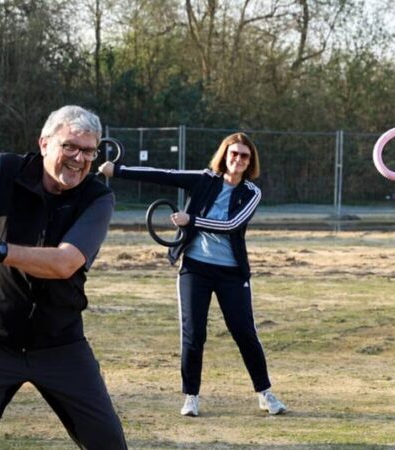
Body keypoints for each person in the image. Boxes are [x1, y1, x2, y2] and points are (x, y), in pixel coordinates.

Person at [99, 132, 286, 417]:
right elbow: (163, 174)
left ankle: (265, 394)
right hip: (195, 268)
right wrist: (118, 170)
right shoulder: (204, 179)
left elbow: (232, 224)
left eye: (244, 156)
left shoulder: (252, 192)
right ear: (224, 155)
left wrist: (192, 220)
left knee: (244, 332)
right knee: (193, 333)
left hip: (232, 273)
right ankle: (191, 397)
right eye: (233, 153)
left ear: (250, 161)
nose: (237, 159)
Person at [0, 105, 127, 449]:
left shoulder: (97, 197)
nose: (79, 159)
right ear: (44, 143)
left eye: (89, 152)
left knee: (108, 443)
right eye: (70, 147)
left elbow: (65, 263)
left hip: (60, 343)